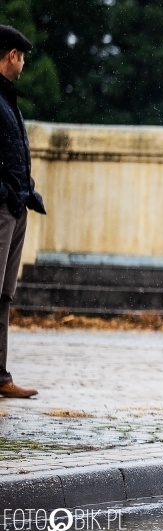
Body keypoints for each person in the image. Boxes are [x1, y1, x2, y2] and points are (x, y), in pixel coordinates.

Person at [0, 25, 46, 398]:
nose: (24, 64)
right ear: (11, 55)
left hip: (15, 206)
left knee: (4, 295)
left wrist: (26, 192)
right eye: (23, 57)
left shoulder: (7, 98)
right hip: (2, 206)